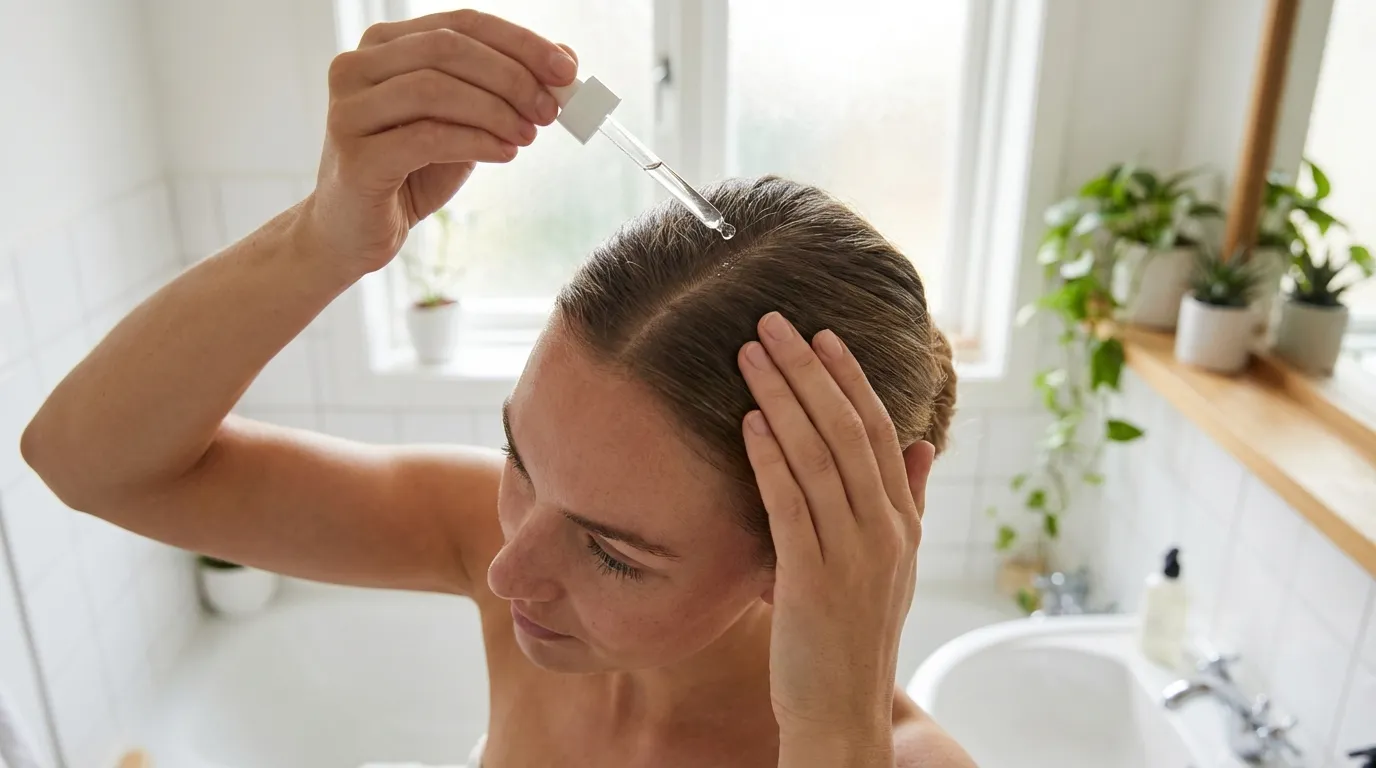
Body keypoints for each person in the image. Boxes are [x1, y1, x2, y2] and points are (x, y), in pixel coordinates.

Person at [21, 10, 974, 768]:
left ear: (811, 544)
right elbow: (89, 463)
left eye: (614, 555)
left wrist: (830, 732)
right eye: (520, 457)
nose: (505, 569)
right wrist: (324, 237)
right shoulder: (497, 532)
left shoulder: (893, 760)